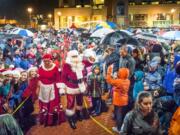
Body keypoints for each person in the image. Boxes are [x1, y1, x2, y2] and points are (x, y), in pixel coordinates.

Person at [60, 50, 87, 129]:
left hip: (80, 86)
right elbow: (63, 77)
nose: (75, 58)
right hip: (70, 86)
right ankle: (70, 118)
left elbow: (84, 75)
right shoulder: (67, 65)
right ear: (70, 57)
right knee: (70, 103)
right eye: (73, 56)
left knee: (80, 101)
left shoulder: (81, 64)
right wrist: (62, 88)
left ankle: (78, 114)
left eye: (76, 56)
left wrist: (85, 84)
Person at [37, 53, 65, 126]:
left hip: (53, 88)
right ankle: (44, 120)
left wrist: (60, 88)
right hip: (43, 88)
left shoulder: (55, 68)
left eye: (48, 61)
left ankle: (53, 120)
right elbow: (39, 77)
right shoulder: (41, 68)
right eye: (45, 61)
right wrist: (39, 81)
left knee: (53, 103)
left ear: (51, 60)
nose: (46, 62)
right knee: (44, 104)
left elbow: (58, 78)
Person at [106, 65, 130, 133]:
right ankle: (122, 126)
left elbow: (108, 80)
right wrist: (116, 78)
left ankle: (119, 129)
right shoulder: (127, 80)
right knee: (122, 114)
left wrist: (109, 70)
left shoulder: (118, 81)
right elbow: (117, 80)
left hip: (118, 100)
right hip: (125, 100)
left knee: (118, 114)